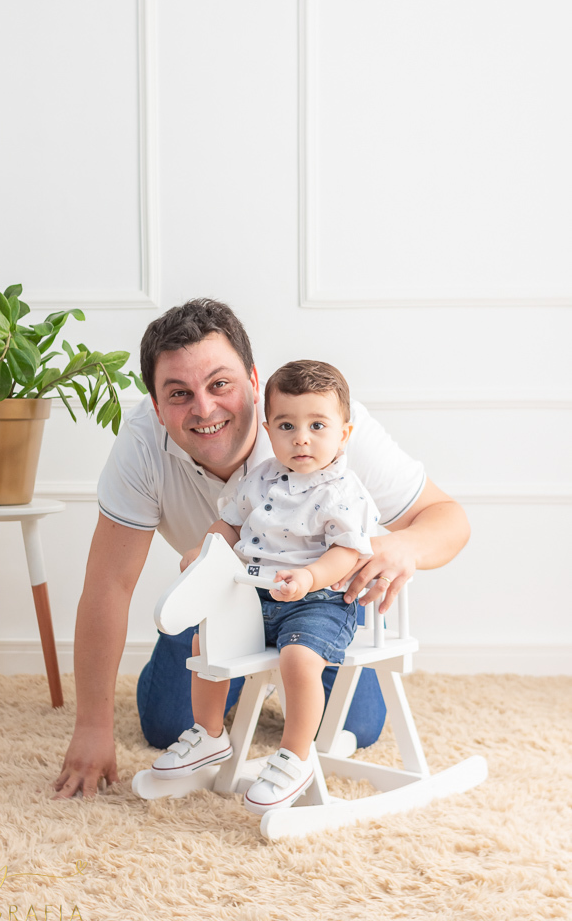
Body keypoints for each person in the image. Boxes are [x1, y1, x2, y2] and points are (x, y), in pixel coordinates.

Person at [54, 298, 470, 798]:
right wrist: (92, 728)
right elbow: (108, 584)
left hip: (316, 601)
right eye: (180, 393)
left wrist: (402, 546)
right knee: (166, 721)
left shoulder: (324, 422)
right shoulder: (143, 445)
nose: (204, 408)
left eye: (220, 384)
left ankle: (290, 731)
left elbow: (449, 520)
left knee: (359, 725)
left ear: (254, 380)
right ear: (156, 405)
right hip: (229, 598)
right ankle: (214, 730)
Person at [150, 360, 382, 814]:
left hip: (320, 601)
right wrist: (207, 552)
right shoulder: (261, 478)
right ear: (268, 428)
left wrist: (311, 576)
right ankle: (211, 736)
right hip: (255, 595)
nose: (301, 438)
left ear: (344, 433)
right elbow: (231, 523)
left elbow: (348, 554)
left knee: (298, 659)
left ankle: (295, 756)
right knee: (206, 642)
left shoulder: (343, 490)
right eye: (287, 425)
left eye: (318, 425)